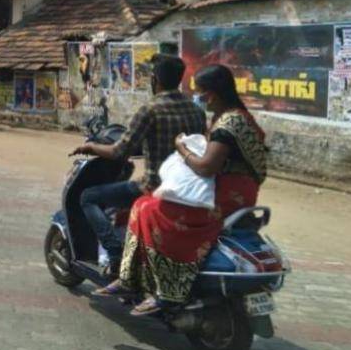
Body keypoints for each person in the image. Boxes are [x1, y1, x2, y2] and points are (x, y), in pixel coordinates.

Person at [101, 64, 269, 316]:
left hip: (224, 195)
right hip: (239, 190)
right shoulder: (239, 116)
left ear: (212, 93)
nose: (200, 99)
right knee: (147, 204)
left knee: (146, 208)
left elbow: (206, 167)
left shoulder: (227, 125)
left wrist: (182, 148)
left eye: (201, 93)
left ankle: (163, 288)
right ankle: (134, 280)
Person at [71, 54, 205, 275]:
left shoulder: (150, 109)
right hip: (188, 186)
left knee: (88, 197)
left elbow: (119, 152)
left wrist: (91, 148)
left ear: (155, 80)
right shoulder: (196, 111)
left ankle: (114, 254)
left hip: (153, 186)